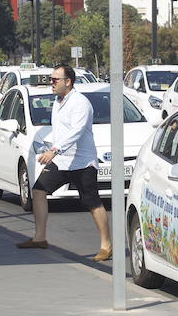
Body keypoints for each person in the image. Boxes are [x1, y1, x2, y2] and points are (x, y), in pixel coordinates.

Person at [17, 64, 112, 261]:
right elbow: (60, 131)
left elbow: (76, 132)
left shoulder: (80, 103)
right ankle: (40, 237)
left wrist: (54, 150)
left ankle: (106, 245)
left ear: (68, 82)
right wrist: (51, 149)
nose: (51, 83)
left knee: (92, 203)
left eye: (55, 80)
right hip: (62, 161)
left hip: (83, 162)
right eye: (51, 80)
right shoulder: (58, 102)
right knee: (39, 190)